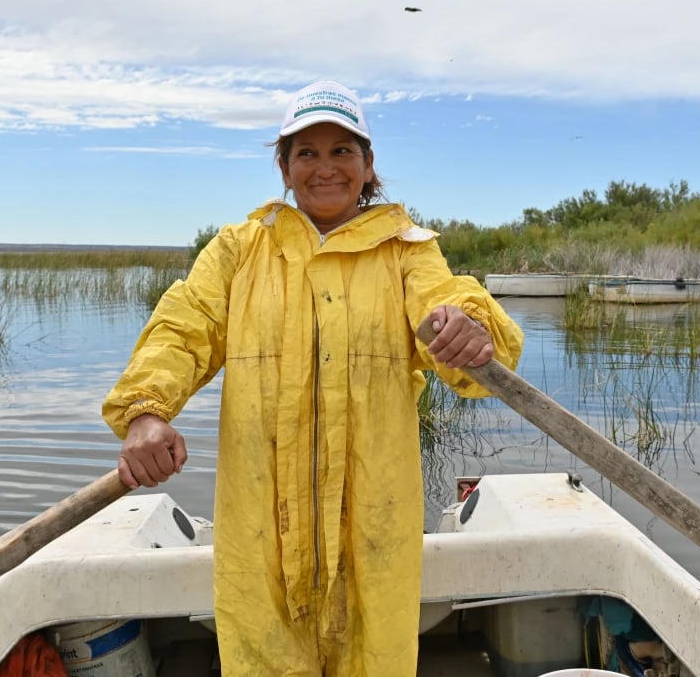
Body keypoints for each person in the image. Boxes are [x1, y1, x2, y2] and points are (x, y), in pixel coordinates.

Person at [103, 79, 523, 676]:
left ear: (368, 165)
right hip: (261, 538)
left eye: (341, 151)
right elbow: (182, 328)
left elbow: (452, 314)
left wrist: (469, 330)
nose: (325, 168)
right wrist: (146, 411)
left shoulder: (407, 252)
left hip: (373, 536)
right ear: (284, 166)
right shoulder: (239, 251)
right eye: (307, 153)